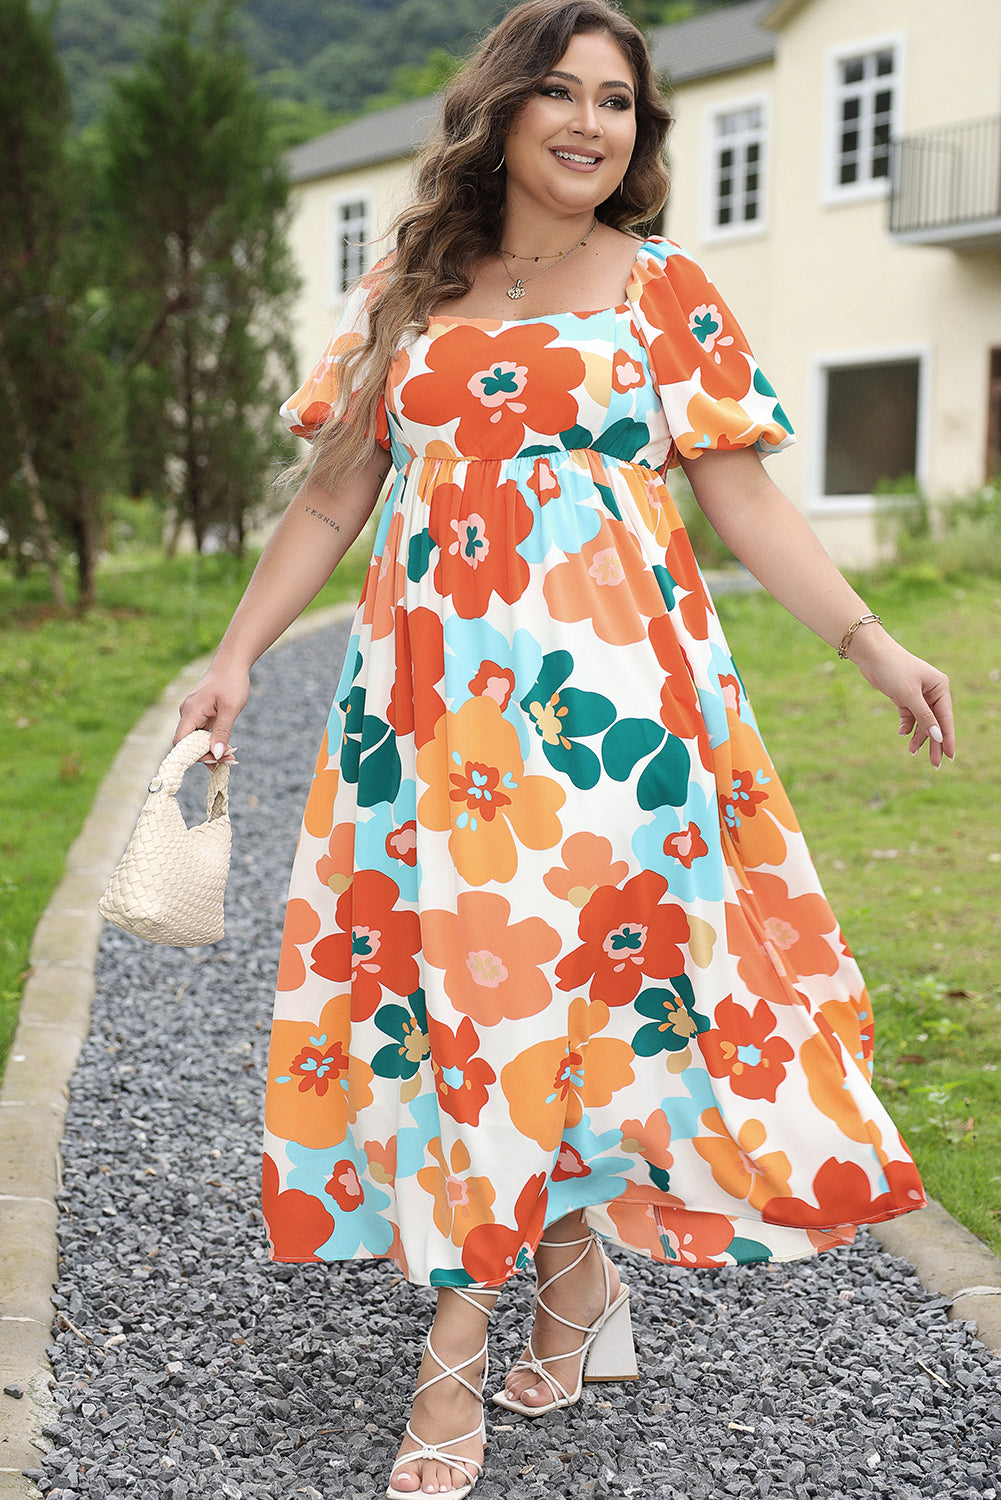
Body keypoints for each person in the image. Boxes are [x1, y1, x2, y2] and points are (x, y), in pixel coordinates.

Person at [174, 3, 955, 1495]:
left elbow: (746, 504)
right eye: (563, 93)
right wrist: (230, 657)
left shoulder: (662, 287)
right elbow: (334, 500)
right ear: (504, 114)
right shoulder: (408, 287)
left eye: (619, 101)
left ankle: (449, 1368)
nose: (593, 122)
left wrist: (872, 645)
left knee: (523, 986)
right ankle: (580, 1275)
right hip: (428, 716)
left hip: (611, 717)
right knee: (488, 991)